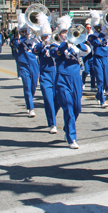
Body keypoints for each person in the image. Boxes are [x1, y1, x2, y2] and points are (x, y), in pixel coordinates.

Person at [50, 14, 91, 149]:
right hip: (62, 78)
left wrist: (77, 41)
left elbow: (87, 50)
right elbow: (55, 53)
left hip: (76, 78)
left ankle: (68, 129)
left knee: (77, 108)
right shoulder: (54, 45)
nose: (65, 35)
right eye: (63, 32)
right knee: (68, 107)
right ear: (59, 33)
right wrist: (65, 44)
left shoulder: (77, 44)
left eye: (66, 32)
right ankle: (72, 138)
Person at [32, 12, 60, 134]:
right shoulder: (39, 46)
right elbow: (34, 50)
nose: (47, 38)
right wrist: (43, 43)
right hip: (45, 76)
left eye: (48, 36)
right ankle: (52, 123)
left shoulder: (56, 44)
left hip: (57, 75)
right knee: (48, 100)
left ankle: (52, 115)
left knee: (58, 101)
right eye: (45, 36)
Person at [11, 14, 40, 117]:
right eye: (22, 31)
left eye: (25, 31)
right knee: (27, 86)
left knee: (33, 86)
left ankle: (29, 101)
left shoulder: (35, 39)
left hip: (34, 64)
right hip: (23, 65)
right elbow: (16, 44)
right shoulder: (15, 40)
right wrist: (25, 37)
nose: (24, 33)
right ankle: (31, 108)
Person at [88, 10, 108, 108]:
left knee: (106, 80)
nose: (100, 28)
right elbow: (96, 43)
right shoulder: (91, 36)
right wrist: (102, 33)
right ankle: (102, 100)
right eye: (98, 26)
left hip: (105, 58)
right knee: (100, 80)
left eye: (101, 26)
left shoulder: (106, 35)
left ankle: (98, 95)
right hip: (97, 59)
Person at [82, 19, 95, 91]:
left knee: (93, 70)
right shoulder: (83, 35)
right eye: (87, 28)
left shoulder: (93, 34)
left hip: (92, 54)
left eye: (90, 27)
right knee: (87, 70)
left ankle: (93, 86)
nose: (89, 29)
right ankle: (83, 81)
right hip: (85, 55)